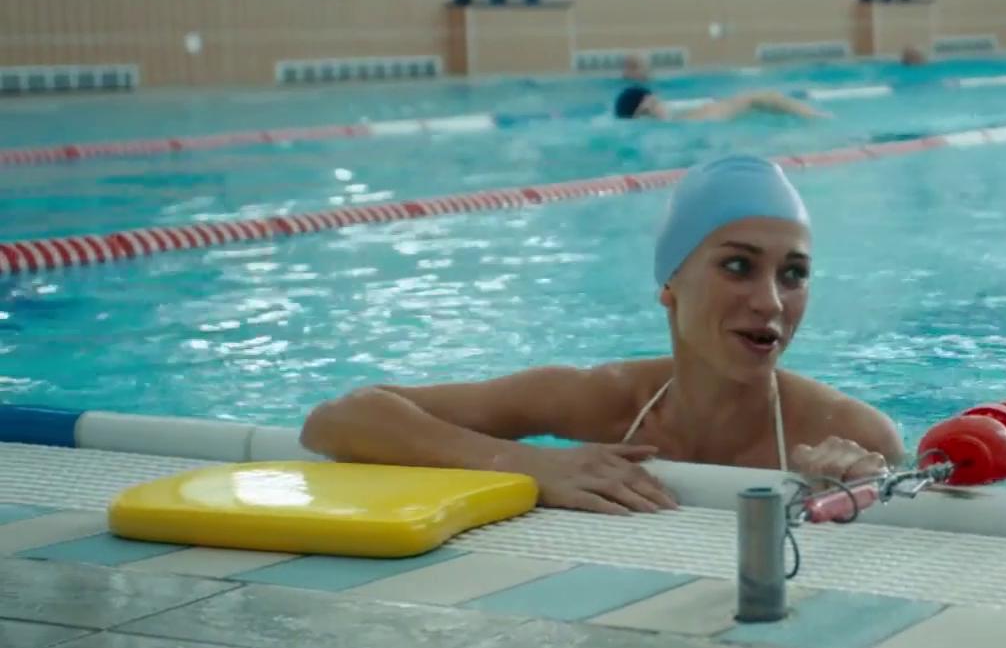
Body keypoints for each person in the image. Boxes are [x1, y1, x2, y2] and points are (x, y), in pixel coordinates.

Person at [301, 154, 908, 515]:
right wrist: (529, 465)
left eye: (794, 274)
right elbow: (339, 418)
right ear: (670, 284)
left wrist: (863, 491)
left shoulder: (850, 433)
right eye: (737, 266)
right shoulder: (604, 399)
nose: (771, 301)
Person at [614, 85, 827, 122]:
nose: (655, 111)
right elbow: (756, 97)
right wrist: (810, 114)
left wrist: (808, 113)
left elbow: (756, 97)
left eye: (654, 105)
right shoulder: (694, 119)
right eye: (646, 112)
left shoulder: (695, 117)